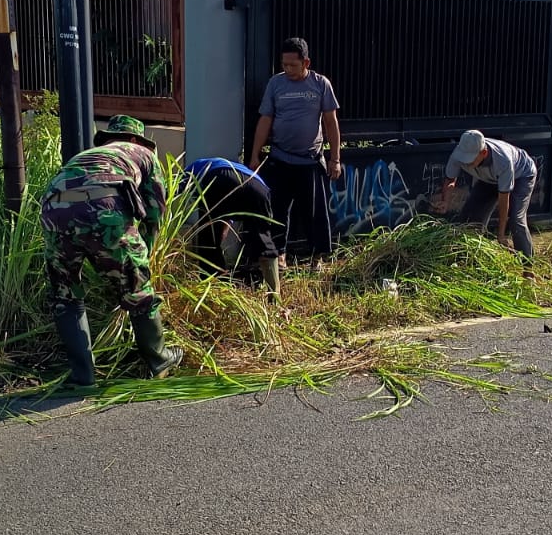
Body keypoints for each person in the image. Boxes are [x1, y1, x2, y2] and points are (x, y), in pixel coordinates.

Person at [42, 115, 183, 388]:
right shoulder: (142, 153)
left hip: (53, 207)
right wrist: (141, 261)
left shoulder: (88, 155)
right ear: (134, 139)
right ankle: (160, 359)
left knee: (66, 295)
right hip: (104, 205)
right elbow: (155, 211)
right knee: (137, 289)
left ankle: (82, 377)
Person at [248, 37, 341, 263]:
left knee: (314, 214)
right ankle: (279, 256)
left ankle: (317, 258)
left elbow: (331, 123)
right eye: (284, 64)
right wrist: (254, 155)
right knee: (277, 212)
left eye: (293, 65)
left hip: (309, 160)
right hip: (280, 159)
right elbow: (265, 120)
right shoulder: (275, 84)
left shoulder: (321, 85)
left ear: (306, 63)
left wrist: (335, 159)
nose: (288, 69)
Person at [182, 157, 282, 297]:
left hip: (218, 176)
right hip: (258, 188)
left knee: (207, 240)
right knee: (263, 240)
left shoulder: (190, 170)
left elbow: (171, 194)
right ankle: (275, 294)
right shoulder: (238, 170)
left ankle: (215, 289)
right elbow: (227, 217)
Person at [435, 130, 538, 259]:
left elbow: (503, 199)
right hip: (489, 178)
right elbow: (450, 180)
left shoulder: (502, 161)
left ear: (484, 153)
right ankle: (471, 258)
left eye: (470, 160)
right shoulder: (458, 154)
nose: (466, 163)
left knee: (515, 220)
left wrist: (500, 235)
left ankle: (528, 269)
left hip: (521, 175)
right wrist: (445, 201)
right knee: (469, 218)